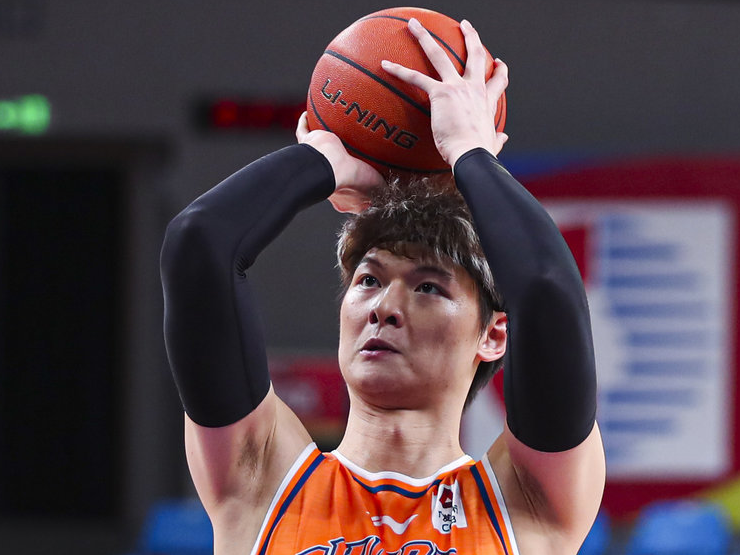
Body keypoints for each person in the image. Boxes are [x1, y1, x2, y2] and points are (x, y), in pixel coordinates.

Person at [161, 17, 605, 555]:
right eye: (369, 280)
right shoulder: (260, 477)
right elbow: (199, 245)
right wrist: (326, 159)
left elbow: (546, 291)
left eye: (428, 288)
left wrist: (469, 152)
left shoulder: (525, 500)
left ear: (493, 335)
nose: (385, 308)